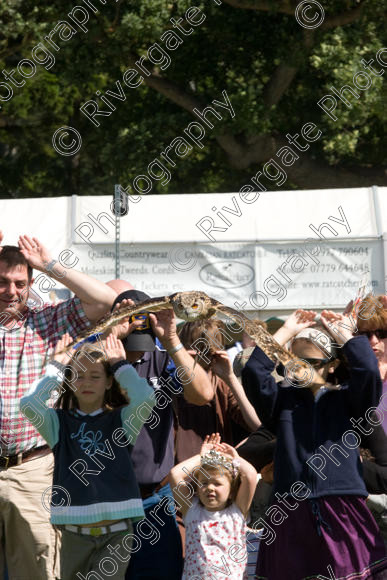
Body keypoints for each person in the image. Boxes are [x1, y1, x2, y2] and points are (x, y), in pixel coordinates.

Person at [0, 232, 117, 579]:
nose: (11, 291)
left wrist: (48, 265)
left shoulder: (47, 321)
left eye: (20, 282)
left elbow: (105, 301)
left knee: (38, 570)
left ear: (30, 283)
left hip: (32, 470)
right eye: (2, 282)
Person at [242, 309, 387, 580]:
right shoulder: (281, 402)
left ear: (332, 365)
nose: (303, 369)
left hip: (341, 506)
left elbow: (367, 370)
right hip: (288, 509)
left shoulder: (349, 402)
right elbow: (253, 371)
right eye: (295, 362)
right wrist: (285, 331)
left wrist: (344, 334)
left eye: (313, 362)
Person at [20, 333, 155, 579]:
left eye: (95, 376)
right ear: (69, 382)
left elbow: (146, 397)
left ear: (109, 382)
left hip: (116, 534)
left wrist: (121, 365)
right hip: (73, 534)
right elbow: (29, 405)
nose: (87, 383)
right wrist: (57, 368)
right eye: (79, 376)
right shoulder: (58, 423)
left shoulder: (123, 421)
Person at [107, 289, 213, 580]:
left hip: (155, 498)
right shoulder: (96, 363)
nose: (139, 350)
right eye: (131, 341)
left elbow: (203, 393)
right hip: (107, 500)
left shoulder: (161, 358)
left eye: (144, 340)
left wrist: (171, 339)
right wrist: (110, 347)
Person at [169, 432, 257, 580]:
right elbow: (175, 475)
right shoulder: (192, 510)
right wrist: (202, 457)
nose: (210, 488)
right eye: (204, 483)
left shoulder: (237, 512)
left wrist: (235, 459)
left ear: (231, 491)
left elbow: (250, 476)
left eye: (217, 483)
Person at [175, 319, 260, 463]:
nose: (198, 358)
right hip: (175, 473)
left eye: (206, 352)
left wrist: (230, 378)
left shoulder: (221, 383)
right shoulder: (171, 378)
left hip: (214, 471)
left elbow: (257, 425)